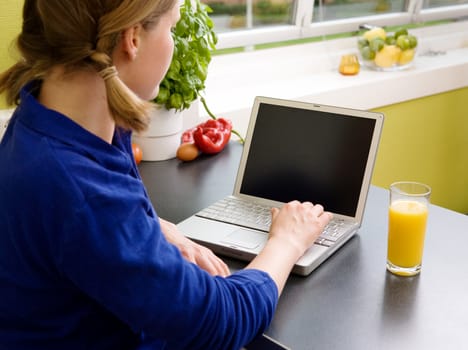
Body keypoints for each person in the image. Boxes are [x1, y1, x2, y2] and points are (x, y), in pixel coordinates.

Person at [0, 0, 332, 349]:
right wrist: (287, 242)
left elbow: (76, 224)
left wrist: (151, 229)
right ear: (132, 39)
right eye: (171, 28)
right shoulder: (85, 194)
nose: (173, 41)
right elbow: (222, 320)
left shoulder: (40, 123)